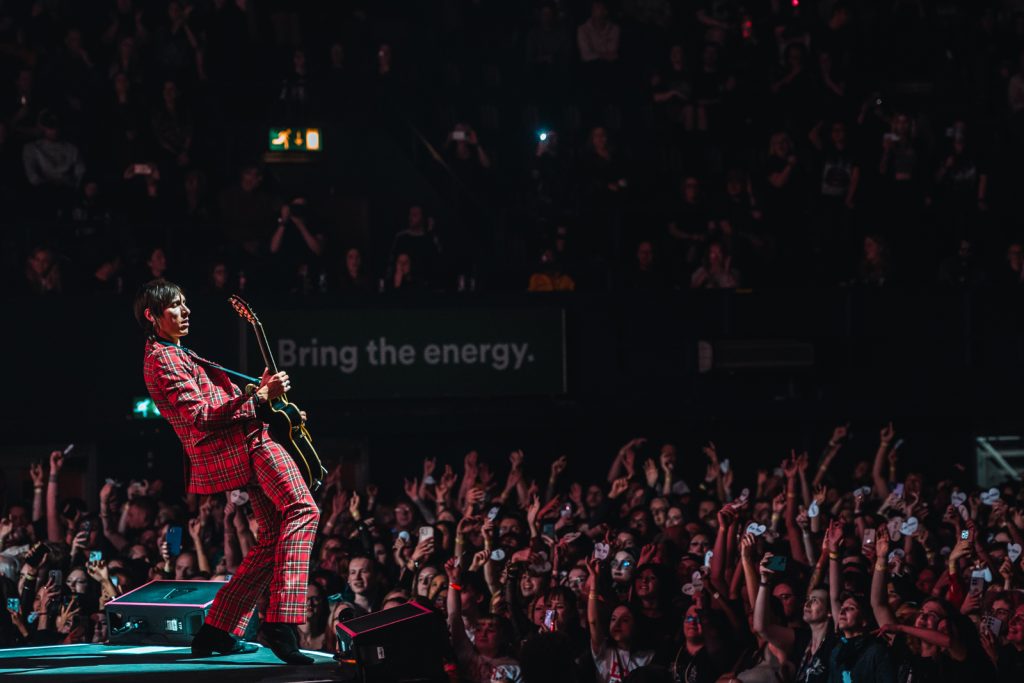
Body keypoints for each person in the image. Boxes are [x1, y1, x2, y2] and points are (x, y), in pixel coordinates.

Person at [135, 278, 319, 664]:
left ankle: (217, 630)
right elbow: (202, 416)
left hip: (243, 445)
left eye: (185, 303)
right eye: (175, 306)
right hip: (246, 445)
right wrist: (261, 398)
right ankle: (281, 621)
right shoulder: (164, 359)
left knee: (272, 537)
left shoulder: (175, 352)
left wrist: (261, 396)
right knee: (304, 510)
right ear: (152, 316)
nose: (185, 311)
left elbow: (220, 401)